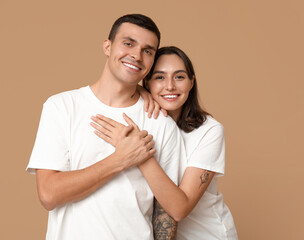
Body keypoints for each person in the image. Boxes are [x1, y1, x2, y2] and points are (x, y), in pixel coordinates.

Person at [26, 15, 186, 240]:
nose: (136, 55)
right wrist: (121, 159)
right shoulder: (61, 107)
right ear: (107, 47)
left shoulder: (161, 123)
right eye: (128, 43)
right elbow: (48, 194)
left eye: (148, 51)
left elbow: (166, 212)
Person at [91, 46, 239, 239]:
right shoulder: (144, 123)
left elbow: (179, 208)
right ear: (147, 83)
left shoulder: (209, 131)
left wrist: (137, 152)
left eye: (179, 77)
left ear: (191, 82)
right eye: (160, 77)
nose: (170, 86)